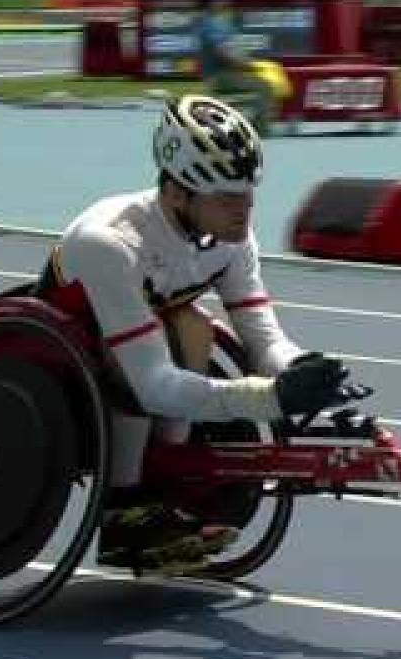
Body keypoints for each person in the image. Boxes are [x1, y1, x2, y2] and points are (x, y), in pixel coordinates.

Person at [34, 95, 355, 575]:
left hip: (150, 337)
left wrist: (301, 369)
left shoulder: (230, 241)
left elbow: (262, 337)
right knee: (176, 333)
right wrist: (268, 399)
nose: (243, 210)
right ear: (178, 192)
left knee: (194, 326)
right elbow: (154, 384)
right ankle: (122, 507)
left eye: (249, 193)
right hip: (71, 355)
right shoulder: (113, 243)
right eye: (227, 197)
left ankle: (163, 487)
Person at [196, 0, 291, 135]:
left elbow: (234, 51)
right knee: (264, 85)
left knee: (272, 75)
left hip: (230, 73)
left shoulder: (220, 22)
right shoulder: (210, 24)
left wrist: (248, 64)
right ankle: (261, 129)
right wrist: (247, 66)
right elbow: (223, 54)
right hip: (219, 77)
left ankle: (260, 122)